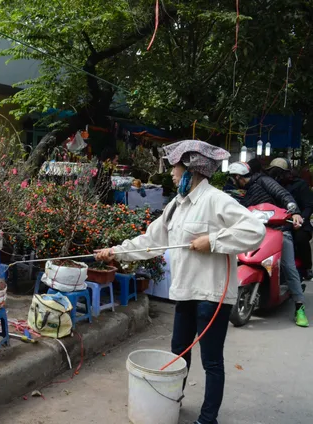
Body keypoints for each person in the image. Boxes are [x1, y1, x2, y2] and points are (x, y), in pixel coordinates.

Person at [95, 140, 265, 424]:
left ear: (192, 170)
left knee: (212, 361)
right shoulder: (176, 205)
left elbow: (254, 230)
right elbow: (151, 241)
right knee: (179, 354)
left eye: (175, 168)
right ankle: (172, 403)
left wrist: (212, 241)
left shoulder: (217, 200)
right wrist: (115, 251)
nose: (172, 174)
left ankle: (208, 418)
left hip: (213, 295)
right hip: (185, 293)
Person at [228, 161, 309, 327]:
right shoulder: (242, 193)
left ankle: (299, 306)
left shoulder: (263, 181)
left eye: (233, 178)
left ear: (237, 177)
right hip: (254, 232)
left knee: (288, 266)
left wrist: (293, 211)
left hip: (279, 229)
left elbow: (283, 195)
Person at [266, 158, 313, 279]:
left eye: (279, 172)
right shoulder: (270, 185)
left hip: (297, 221)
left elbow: (308, 206)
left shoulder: (300, 185)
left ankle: (306, 267)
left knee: (300, 238)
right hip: (276, 221)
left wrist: (300, 218)